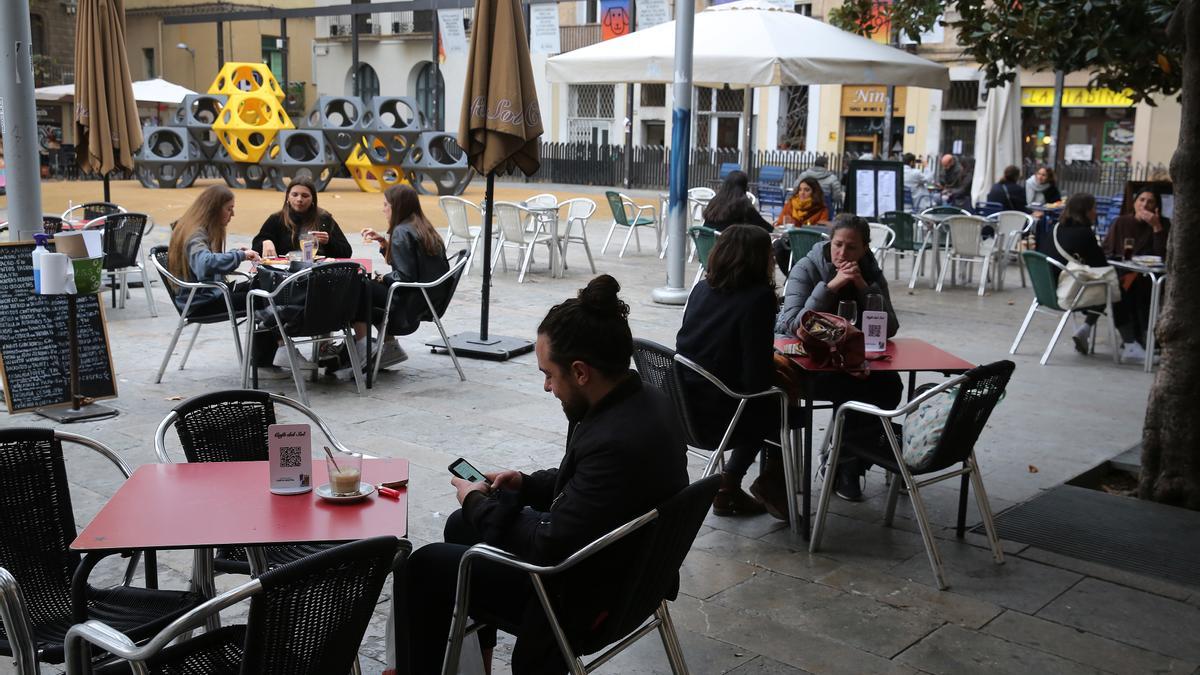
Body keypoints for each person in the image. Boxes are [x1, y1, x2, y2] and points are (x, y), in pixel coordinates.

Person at [405, 275, 690, 674]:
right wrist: (525, 483)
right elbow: (592, 487)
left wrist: (478, 502)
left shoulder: (613, 438)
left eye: (549, 374)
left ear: (580, 372)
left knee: (422, 567)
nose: (546, 386)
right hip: (626, 569)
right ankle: (478, 664)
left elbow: (549, 544)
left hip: (579, 595)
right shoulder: (643, 400)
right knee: (461, 525)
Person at [776, 214, 902, 501]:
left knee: (890, 386)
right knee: (854, 389)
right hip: (810, 364)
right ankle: (844, 468)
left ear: (866, 248)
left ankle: (848, 462)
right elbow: (790, 323)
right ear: (829, 242)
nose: (843, 254)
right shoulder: (807, 267)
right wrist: (830, 286)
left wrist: (863, 288)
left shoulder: (870, 272)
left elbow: (890, 328)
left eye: (852, 248)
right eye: (838, 245)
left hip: (855, 361)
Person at [676, 226, 788, 519]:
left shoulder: (701, 289)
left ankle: (732, 486)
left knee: (770, 401)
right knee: (782, 401)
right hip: (719, 416)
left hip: (684, 404)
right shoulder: (759, 299)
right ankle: (753, 482)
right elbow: (755, 380)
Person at [338, 184, 450, 377]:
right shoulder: (423, 226)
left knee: (359, 286)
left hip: (408, 304)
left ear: (397, 206)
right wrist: (384, 243)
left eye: (386, 205)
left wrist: (380, 277)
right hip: (428, 298)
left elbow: (404, 277)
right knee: (368, 286)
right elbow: (411, 264)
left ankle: (364, 346)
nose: (383, 209)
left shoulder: (401, 231)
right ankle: (390, 347)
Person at [166, 185, 277, 368]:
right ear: (213, 209)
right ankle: (265, 361)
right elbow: (204, 264)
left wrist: (234, 253)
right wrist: (239, 256)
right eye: (229, 208)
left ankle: (267, 354)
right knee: (264, 297)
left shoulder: (192, 227)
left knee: (263, 286)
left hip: (204, 295)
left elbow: (205, 262)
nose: (232, 214)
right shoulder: (195, 233)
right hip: (202, 302)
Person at [1098, 188, 1170, 363]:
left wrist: (1156, 227)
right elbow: (1107, 250)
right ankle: (1135, 340)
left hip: (1150, 276)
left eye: (1150, 201)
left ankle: (1138, 339)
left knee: (1135, 286)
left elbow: (1162, 254)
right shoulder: (1121, 222)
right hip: (1124, 272)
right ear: (1135, 203)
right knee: (1124, 286)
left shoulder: (1164, 224)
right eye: (1142, 200)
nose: (1145, 204)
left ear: (1156, 206)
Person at [251, 177, 352, 259]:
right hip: (285, 273)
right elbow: (255, 248)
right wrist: (265, 242)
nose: (299, 199)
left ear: (313, 199)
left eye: (305, 196)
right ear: (288, 197)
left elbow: (347, 252)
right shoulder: (277, 219)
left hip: (317, 273)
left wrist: (329, 242)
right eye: (294, 195)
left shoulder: (324, 218)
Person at [771, 177, 830, 275]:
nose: (802, 193)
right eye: (800, 189)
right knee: (778, 246)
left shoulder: (821, 209)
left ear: (814, 192)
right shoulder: (790, 205)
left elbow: (821, 228)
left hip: (810, 244)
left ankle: (800, 276)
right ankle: (791, 276)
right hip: (790, 242)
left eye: (806, 190)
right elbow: (780, 224)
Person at [701, 170, 771, 232]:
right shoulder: (742, 204)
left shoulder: (714, 201)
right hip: (726, 245)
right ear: (744, 186)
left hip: (705, 244)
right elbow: (763, 225)